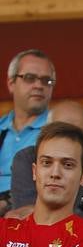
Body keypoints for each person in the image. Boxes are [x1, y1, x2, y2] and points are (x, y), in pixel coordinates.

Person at [9, 99, 83, 227]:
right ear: (44, 133)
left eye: (75, 134)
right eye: (59, 132)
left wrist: (44, 213)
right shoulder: (25, 158)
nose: (65, 143)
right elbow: (23, 217)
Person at [0, 50, 56, 214]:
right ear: (11, 84)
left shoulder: (57, 130)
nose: (38, 85)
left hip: (30, 209)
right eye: (29, 78)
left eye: (46, 80)